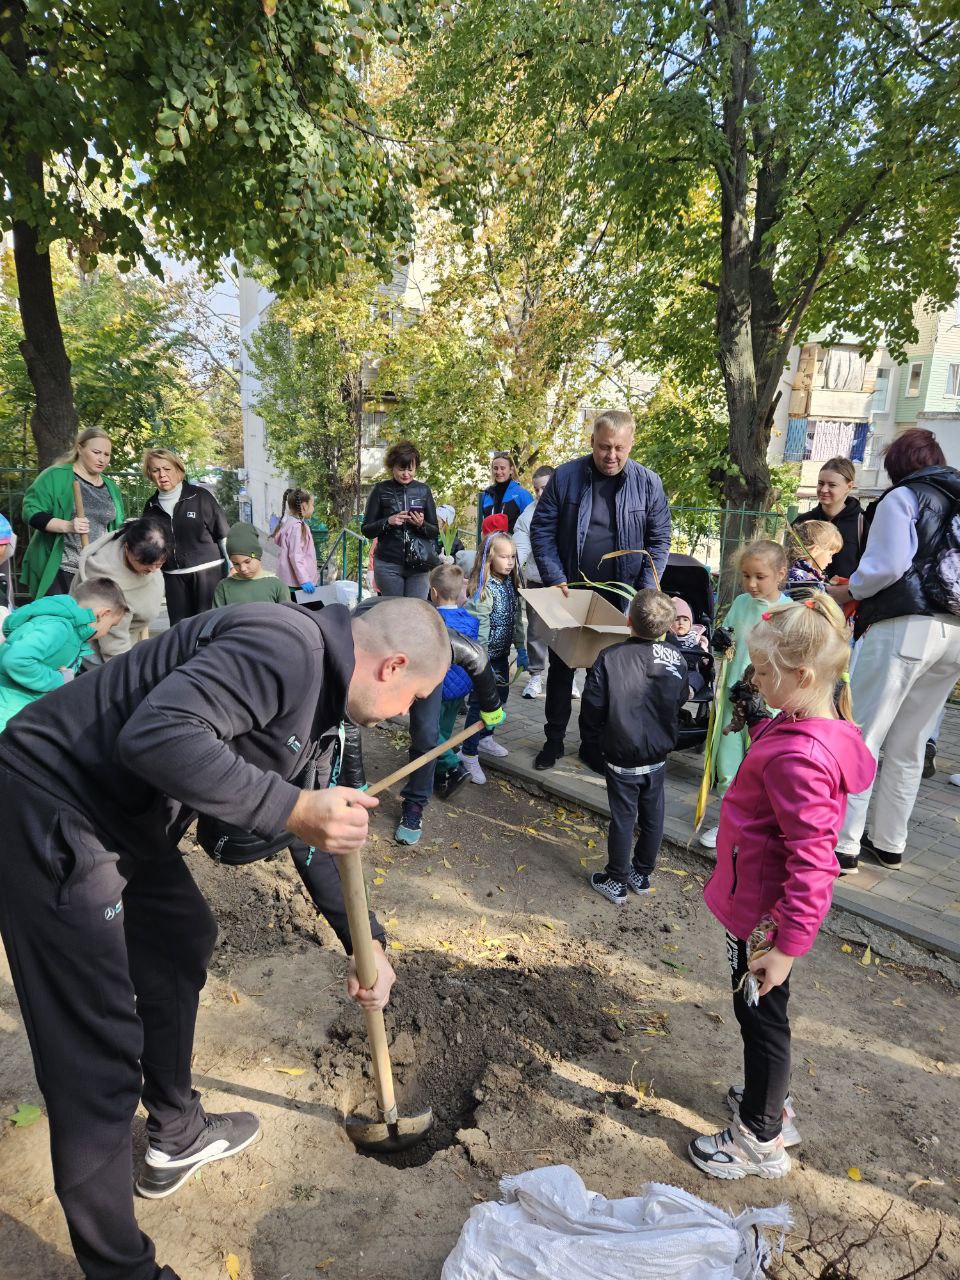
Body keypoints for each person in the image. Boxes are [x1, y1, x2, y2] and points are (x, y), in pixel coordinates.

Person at [0, 596, 451, 1280]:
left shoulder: (320, 703)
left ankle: (177, 1134)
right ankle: (122, 1270)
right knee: (96, 1059)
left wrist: (369, 943)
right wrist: (294, 807)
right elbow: (157, 737)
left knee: (183, 936)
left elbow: (310, 836)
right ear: (392, 666)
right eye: (409, 701)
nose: (399, 718)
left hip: (122, 816)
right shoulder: (286, 646)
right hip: (50, 803)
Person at [687, 597, 875, 1179]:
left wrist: (787, 948)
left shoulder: (801, 757)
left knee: (760, 1016)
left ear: (803, 676)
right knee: (763, 1016)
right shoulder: (809, 723)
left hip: (764, 918)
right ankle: (768, 1104)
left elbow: (815, 862)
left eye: (765, 673)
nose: (757, 680)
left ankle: (759, 1137)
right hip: (759, 903)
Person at [827, 428, 960, 875]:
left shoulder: (903, 498)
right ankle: (890, 842)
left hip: (904, 627)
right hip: (953, 633)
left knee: (863, 732)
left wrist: (849, 592)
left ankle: (844, 844)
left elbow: (885, 567)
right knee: (911, 743)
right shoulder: (955, 498)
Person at [530, 410, 672, 770]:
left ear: (631, 444)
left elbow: (659, 540)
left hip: (620, 594)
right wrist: (553, 574)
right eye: (605, 447)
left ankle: (592, 745)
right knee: (562, 667)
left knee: (604, 675)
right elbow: (542, 529)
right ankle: (554, 741)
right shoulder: (565, 477)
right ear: (591, 442)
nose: (611, 456)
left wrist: (643, 593)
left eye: (619, 448)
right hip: (569, 590)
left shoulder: (648, 483)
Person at [579, 591, 691, 905]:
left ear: (627, 622)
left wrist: (592, 741)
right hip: (657, 755)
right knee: (654, 814)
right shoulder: (676, 658)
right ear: (669, 627)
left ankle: (617, 879)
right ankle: (640, 874)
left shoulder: (610, 657)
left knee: (625, 817)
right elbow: (681, 697)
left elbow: (592, 706)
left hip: (620, 754)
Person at [700, 541, 792, 849]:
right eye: (745, 576)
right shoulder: (741, 603)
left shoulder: (789, 611)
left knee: (761, 768)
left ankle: (757, 828)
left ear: (780, 574)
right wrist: (718, 642)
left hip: (766, 706)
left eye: (759, 576)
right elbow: (726, 643)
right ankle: (729, 824)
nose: (751, 584)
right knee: (727, 764)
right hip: (732, 698)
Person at [0, 578, 127, 730]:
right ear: (103, 614)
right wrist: (59, 679)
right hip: (9, 710)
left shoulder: (70, 630)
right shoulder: (59, 628)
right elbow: (16, 660)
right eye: (111, 626)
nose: (107, 632)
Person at [20, 427, 125, 599]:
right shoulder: (55, 476)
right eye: (96, 452)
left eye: (107, 454)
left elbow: (116, 528)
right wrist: (68, 525)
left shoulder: (111, 487)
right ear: (79, 448)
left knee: (90, 623)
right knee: (57, 621)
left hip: (95, 570)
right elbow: (31, 511)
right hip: (61, 568)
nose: (102, 459)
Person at [460, 533, 526, 783]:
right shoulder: (483, 589)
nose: (510, 562)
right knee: (479, 706)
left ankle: (486, 738)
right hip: (483, 658)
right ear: (490, 557)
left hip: (500, 656)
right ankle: (468, 753)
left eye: (513, 557)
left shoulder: (510, 584)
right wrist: (483, 664)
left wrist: (521, 648)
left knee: (500, 700)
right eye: (504, 557)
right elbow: (481, 630)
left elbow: (517, 620)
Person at [142, 448, 230, 623]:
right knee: (180, 630)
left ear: (178, 470)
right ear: (150, 475)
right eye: (155, 470)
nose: (162, 475)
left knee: (210, 627)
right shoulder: (150, 507)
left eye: (167, 469)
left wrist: (233, 566)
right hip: (173, 577)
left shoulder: (200, 496)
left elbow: (223, 534)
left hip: (208, 573)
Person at [74, 518, 171, 662]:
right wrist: (125, 673)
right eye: (146, 564)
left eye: (159, 564)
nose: (153, 569)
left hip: (133, 637)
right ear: (127, 549)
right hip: (103, 648)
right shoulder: (106, 582)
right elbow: (114, 645)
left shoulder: (139, 539)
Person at [361, 440, 439, 599]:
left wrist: (421, 524)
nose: (406, 474)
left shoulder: (423, 490)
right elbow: (366, 529)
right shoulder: (380, 489)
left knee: (416, 611)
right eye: (401, 469)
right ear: (392, 467)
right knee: (394, 613)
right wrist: (388, 522)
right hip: (388, 563)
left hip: (419, 564)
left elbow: (434, 531)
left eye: (411, 469)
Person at [426, 563, 475, 809]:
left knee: (430, 732)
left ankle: (454, 767)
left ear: (434, 592)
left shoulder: (433, 620)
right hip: (461, 687)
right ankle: (439, 773)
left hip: (438, 687)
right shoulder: (471, 620)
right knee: (443, 728)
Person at [512, 464, 555, 699]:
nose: (540, 494)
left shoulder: (570, 510)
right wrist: (517, 571)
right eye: (536, 489)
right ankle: (536, 675)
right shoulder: (527, 516)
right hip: (537, 580)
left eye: (545, 488)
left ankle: (566, 678)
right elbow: (520, 549)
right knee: (537, 629)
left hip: (565, 582)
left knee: (565, 630)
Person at [792, 457, 865, 580]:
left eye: (832, 485)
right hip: (802, 596)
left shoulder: (864, 523)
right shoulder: (802, 522)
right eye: (821, 483)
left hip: (846, 598)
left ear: (849, 486)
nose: (824, 489)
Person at [213, 523, 289, 607]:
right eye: (236, 564)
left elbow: (287, 618)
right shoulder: (223, 587)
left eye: (247, 561)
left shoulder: (278, 586)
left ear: (257, 555)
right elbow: (217, 619)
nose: (243, 569)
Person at [272, 487, 319, 597]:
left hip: (289, 581)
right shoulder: (297, 528)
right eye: (312, 505)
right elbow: (296, 555)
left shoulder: (289, 523)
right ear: (304, 506)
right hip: (297, 585)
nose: (313, 508)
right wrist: (305, 580)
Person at [784, 520, 843, 598]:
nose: (830, 561)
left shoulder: (788, 570)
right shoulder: (807, 582)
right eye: (830, 555)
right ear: (815, 550)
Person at [480, 452, 533, 533]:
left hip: (514, 544)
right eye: (495, 468)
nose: (498, 472)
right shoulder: (486, 495)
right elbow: (483, 526)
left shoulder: (522, 494)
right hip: (490, 544)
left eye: (502, 468)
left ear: (511, 470)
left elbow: (531, 524)